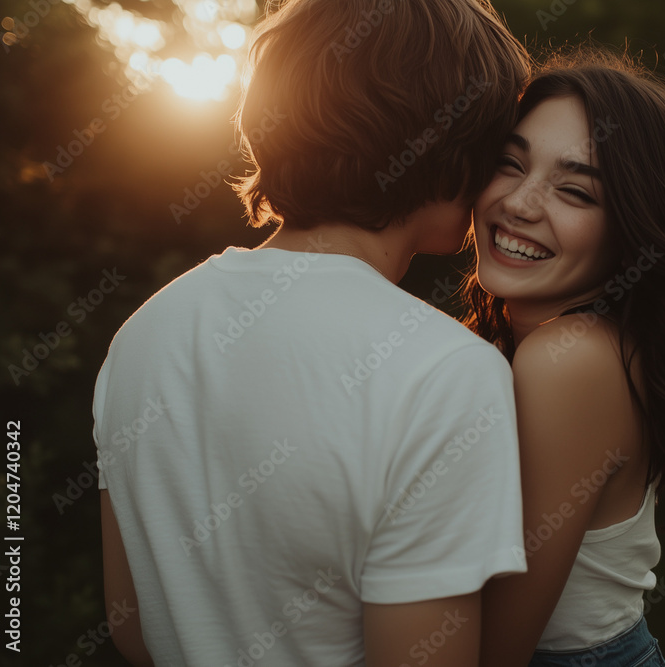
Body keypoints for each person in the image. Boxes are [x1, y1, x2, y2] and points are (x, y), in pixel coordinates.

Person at [93, 1, 529, 665]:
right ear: (451, 148)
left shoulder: (142, 334)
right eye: (498, 148)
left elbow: (133, 625)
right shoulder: (446, 374)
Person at [467, 50, 665, 666]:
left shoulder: (569, 361)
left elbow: (493, 654)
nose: (520, 202)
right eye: (509, 163)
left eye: (573, 190)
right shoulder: (580, 345)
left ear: (633, 232)